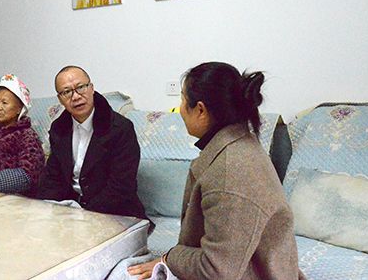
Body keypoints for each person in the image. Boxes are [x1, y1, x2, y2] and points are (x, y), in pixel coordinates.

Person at [128, 62, 304, 280]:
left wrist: (170, 258)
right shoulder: (239, 144)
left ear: (200, 110)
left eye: (182, 99)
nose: (180, 109)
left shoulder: (231, 172)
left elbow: (217, 270)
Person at [39, 66, 147, 220]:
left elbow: (121, 186)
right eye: (67, 92)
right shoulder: (58, 129)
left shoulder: (120, 129)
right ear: (60, 99)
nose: (76, 97)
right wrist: (49, 208)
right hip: (72, 211)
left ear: (91, 88)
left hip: (115, 212)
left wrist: (85, 214)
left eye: (80, 87)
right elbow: (52, 178)